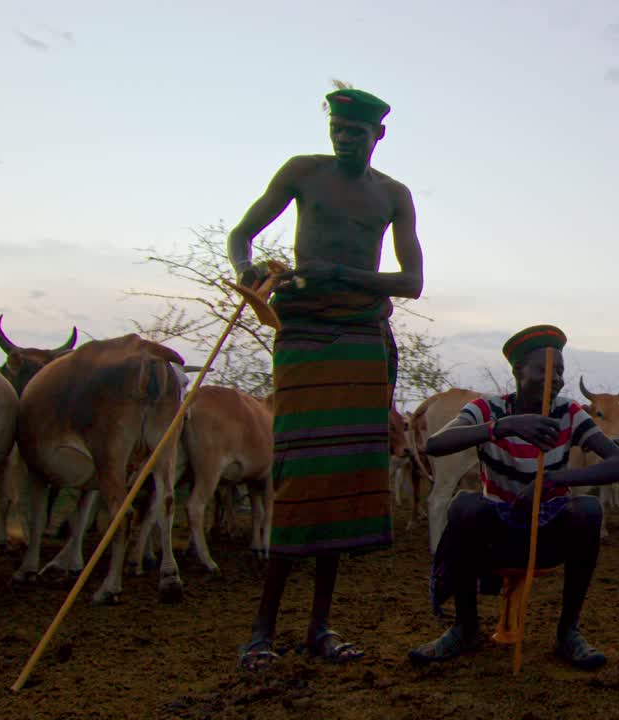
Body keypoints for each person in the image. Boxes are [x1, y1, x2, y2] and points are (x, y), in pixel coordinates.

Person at [229, 85, 423, 670]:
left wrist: (339, 273)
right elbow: (243, 236)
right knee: (297, 475)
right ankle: (261, 631)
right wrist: (250, 271)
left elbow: (411, 282)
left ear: (378, 136)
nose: (343, 140)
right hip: (305, 335)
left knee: (339, 480)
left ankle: (319, 626)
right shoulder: (301, 174)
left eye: (355, 133)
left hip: (361, 337)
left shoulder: (393, 195)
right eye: (337, 130)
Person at [407, 325, 619, 670]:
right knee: (465, 505)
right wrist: (504, 427)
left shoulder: (569, 413)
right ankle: (465, 628)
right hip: (495, 536)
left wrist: (554, 479)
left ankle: (567, 632)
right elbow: (434, 444)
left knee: (587, 510)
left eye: (559, 371)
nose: (554, 379)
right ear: (517, 372)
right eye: (543, 371)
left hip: (547, 533)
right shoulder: (489, 409)